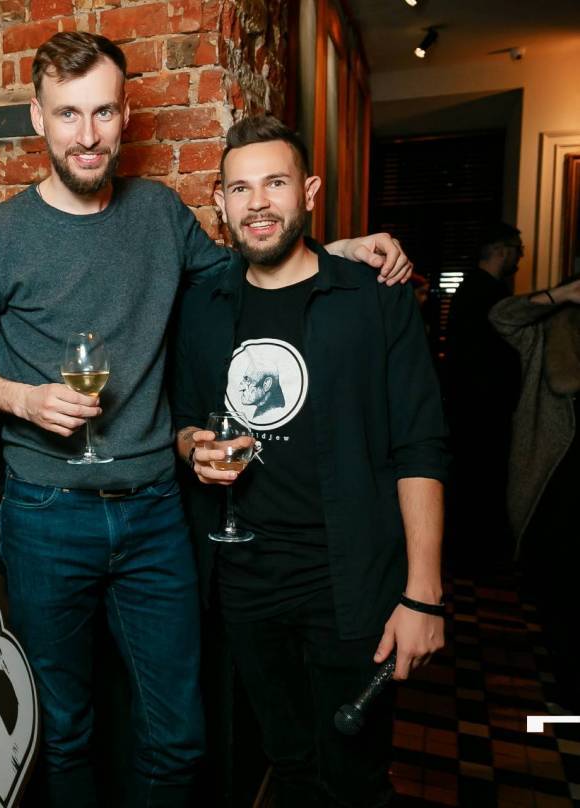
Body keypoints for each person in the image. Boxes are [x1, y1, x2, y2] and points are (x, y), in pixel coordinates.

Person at [0, 32, 410, 807]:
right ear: (38, 118)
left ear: (125, 115)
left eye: (103, 112)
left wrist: (339, 250)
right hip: (47, 513)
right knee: (65, 731)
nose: (87, 135)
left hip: (155, 514)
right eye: (67, 114)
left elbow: (243, 270)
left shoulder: (158, 212)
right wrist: (22, 398)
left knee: (179, 737)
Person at [172, 115, 448, 807]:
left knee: (355, 777)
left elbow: (420, 445)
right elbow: (183, 422)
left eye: (275, 183)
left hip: (351, 583)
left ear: (310, 192)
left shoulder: (373, 296)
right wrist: (194, 448)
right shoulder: (202, 306)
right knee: (289, 766)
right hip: (245, 582)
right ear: (221, 201)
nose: (258, 203)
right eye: (241, 188)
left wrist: (423, 593)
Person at [490, 274, 580, 712]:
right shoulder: (549, 330)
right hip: (555, 484)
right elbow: (501, 316)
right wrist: (561, 295)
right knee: (558, 589)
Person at [444, 223, 524, 567]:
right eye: (518, 251)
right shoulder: (484, 292)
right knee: (479, 479)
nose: (520, 259)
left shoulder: (475, 288)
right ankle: (477, 554)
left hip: (473, 404)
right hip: (479, 407)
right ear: (502, 250)